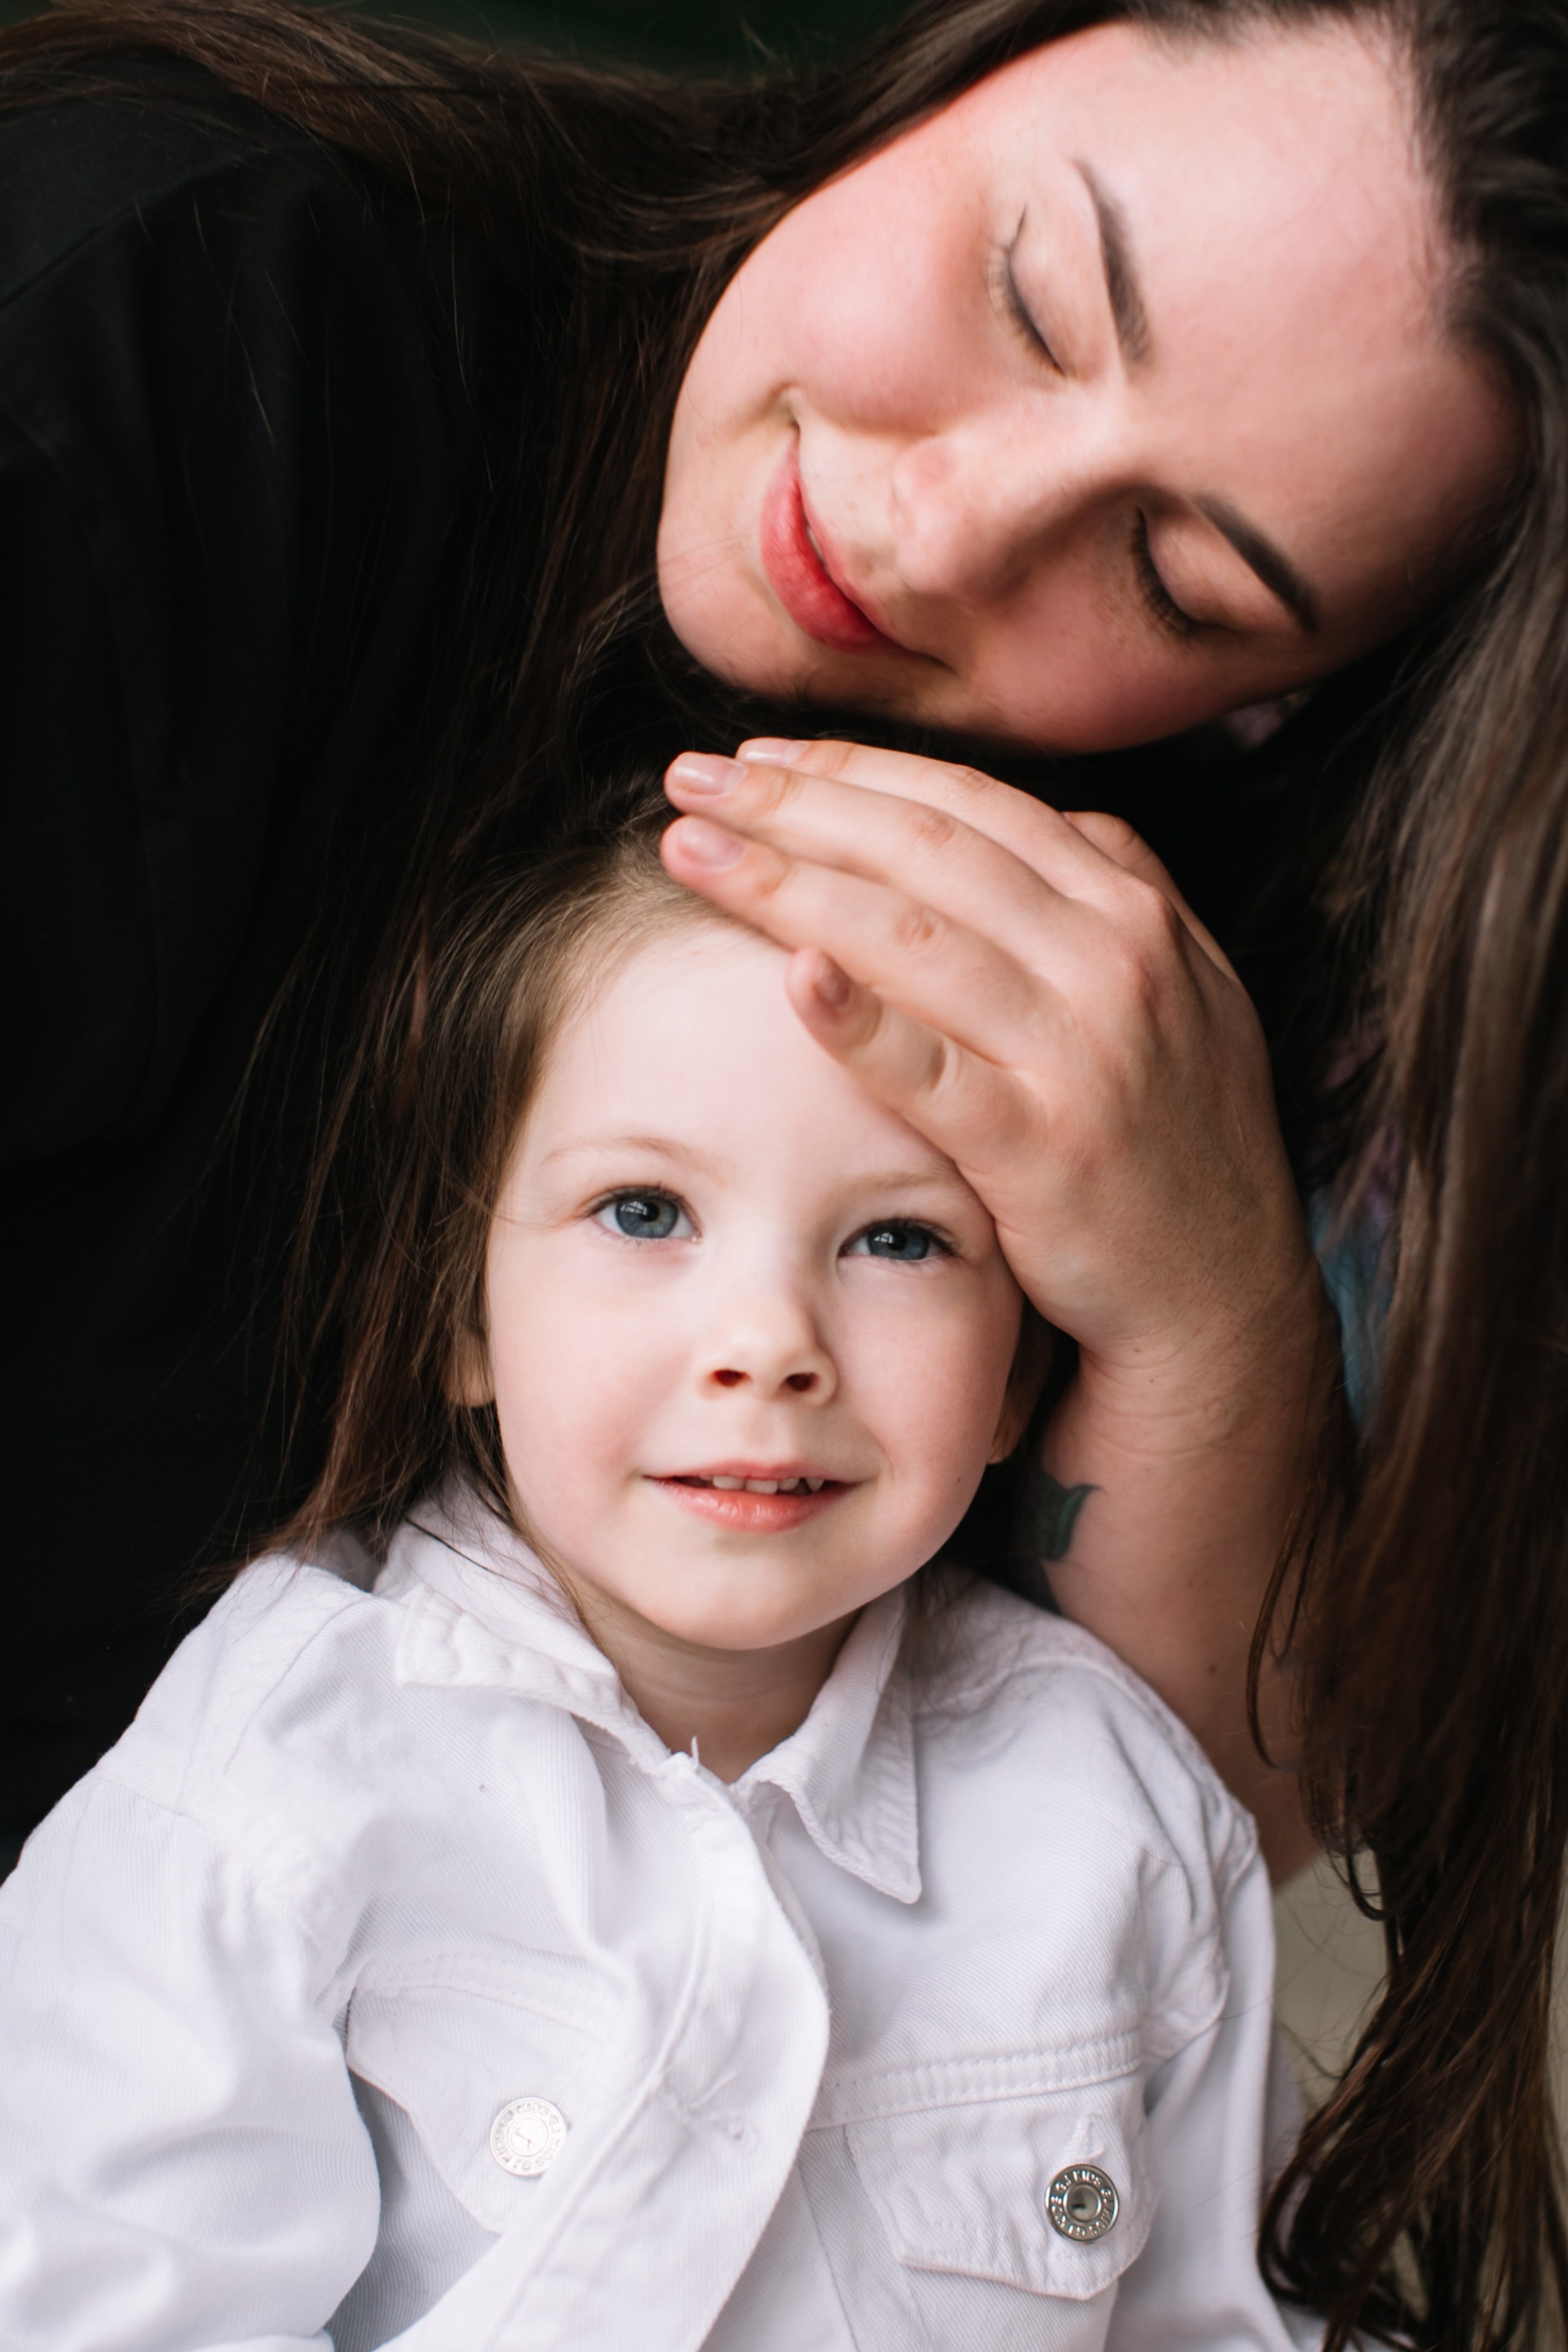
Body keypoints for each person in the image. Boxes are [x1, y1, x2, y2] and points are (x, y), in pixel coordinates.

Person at [0, 0, 1562, 2339]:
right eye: (1033, 293)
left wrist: (1204, 1295)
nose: (939, 530)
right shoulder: (169, 343)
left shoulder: (1117, 937)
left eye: (1176, 579)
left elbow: (1088, 1930)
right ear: (980, 54)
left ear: (1276, 705)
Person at [0, 790, 1320, 2352]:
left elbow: (1226, 2321)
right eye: (644, 1213)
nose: (769, 1343)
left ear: (1015, 1378)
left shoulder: (1114, 1813)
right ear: (462, 1318)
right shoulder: (270, 1784)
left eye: (897, 1240)